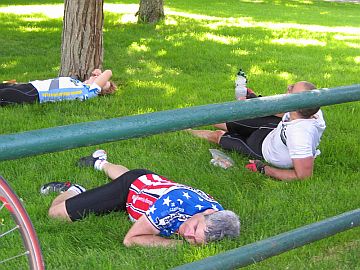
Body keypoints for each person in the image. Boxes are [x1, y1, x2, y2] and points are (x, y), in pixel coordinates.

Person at [40, 150, 240, 247]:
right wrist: (177, 245)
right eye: (194, 228)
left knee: (131, 175)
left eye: (194, 240)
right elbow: (131, 239)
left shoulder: (219, 216)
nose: (187, 233)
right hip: (129, 191)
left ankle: (100, 162)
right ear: (207, 212)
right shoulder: (172, 206)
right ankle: (74, 189)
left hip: (148, 182)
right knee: (55, 213)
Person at [188, 79, 326, 181]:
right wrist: (253, 101)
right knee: (223, 121)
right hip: (272, 130)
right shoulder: (308, 109)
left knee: (219, 135)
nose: (288, 87)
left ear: (296, 105)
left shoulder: (300, 135)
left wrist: (264, 169)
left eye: (292, 89)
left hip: (263, 149)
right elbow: (280, 111)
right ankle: (186, 119)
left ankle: (185, 130)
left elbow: (303, 176)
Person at [0, 69, 116, 106]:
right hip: (32, 85)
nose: (98, 77)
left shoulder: (89, 92)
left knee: (6, 93)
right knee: (4, 86)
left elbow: (108, 72)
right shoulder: (79, 84)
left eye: (102, 82)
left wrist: (100, 74)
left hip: (36, 94)